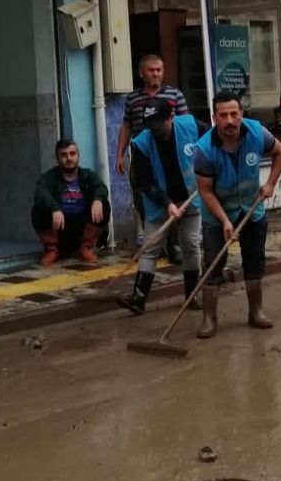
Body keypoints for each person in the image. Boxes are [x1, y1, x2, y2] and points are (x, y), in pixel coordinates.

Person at [192, 90, 281, 339]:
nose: (230, 121)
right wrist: (224, 220)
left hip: (251, 209)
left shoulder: (257, 133)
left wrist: (270, 184)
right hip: (216, 215)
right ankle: (209, 319)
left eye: (234, 114)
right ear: (215, 118)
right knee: (213, 265)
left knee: (254, 262)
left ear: (241, 114)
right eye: (223, 115)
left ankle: (255, 312)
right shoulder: (203, 150)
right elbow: (205, 192)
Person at [119, 99, 201, 314]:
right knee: (149, 248)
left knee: (191, 245)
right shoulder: (142, 143)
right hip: (159, 203)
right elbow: (144, 181)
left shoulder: (191, 126)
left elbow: (213, 144)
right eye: (150, 125)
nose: (153, 129)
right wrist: (167, 203)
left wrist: (210, 174)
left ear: (170, 117)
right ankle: (138, 299)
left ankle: (191, 296)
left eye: (158, 124)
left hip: (191, 197)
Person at [114, 54, 189, 263]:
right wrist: (119, 154)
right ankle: (153, 243)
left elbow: (186, 125)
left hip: (169, 157)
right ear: (141, 73)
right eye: (151, 70)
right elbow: (127, 126)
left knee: (171, 199)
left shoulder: (175, 95)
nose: (156, 74)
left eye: (159, 70)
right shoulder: (133, 98)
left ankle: (173, 245)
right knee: (142, 199)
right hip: (142, 156)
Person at [30, 138, 110, 267]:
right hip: (59, 228)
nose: (69, 158)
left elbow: (100, 187)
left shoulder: (87, 175)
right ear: (57, 158)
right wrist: (54, 208)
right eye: (64, 155)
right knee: (38, 209)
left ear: (78, 156)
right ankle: (51, 249)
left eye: (72, 154)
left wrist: (98, 199)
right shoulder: (49, 177)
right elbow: (41, 193)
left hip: (82, 228)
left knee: (104, 205)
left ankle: (86, 247)